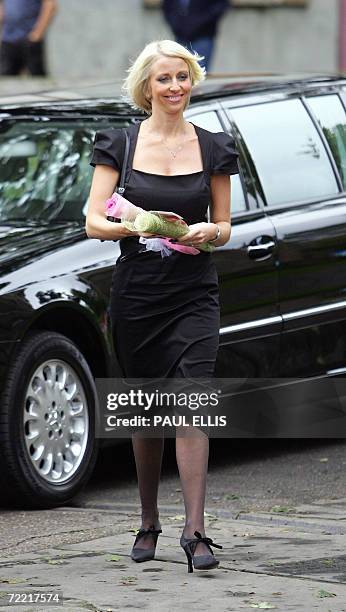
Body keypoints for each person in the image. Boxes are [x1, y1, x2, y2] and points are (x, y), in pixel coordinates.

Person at [86, 40, 239, 573]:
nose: (175, 87)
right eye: (164, 79)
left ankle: (195, 531)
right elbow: (92, 221)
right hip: (139, 290)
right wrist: (134, 224)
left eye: (182, 77)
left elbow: (224, 225)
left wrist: (207, 231)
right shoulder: (119, 145)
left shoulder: (216, 147)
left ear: (191, 82)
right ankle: (148, 518)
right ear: (146, 88)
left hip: (194, 289)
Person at [162, 0, 229, 72]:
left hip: (203, 35)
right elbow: (168, 7)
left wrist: (201, 22)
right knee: (181, 71)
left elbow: (220, 5)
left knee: (198, 71)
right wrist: (176, 24)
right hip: (181, 36)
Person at [0, 0, 57, 76]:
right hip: (8, 39)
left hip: (29, 39)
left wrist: (37, 34)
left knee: (36, 77)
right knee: (5, 77)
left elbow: (50, 5)